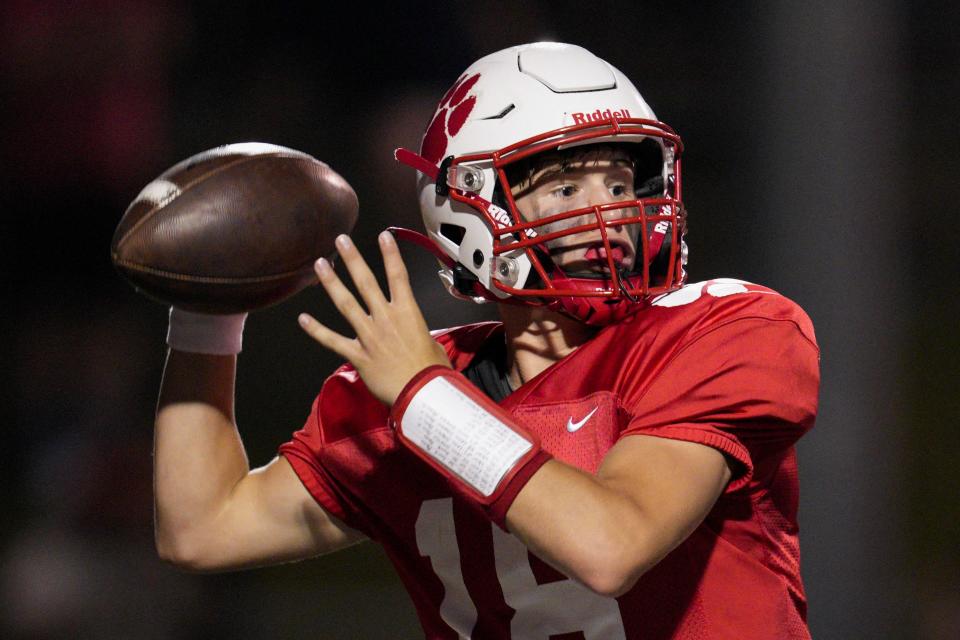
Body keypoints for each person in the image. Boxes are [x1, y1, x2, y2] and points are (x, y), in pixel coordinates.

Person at [154, 43, 820, 639]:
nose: (611, 213)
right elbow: (204, 527)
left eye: (619, 181)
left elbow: (611, 544)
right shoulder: (403, 395)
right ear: (471, 213)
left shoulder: (719, 330)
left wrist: (425, 399)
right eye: (565, 187)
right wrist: (203, 314)